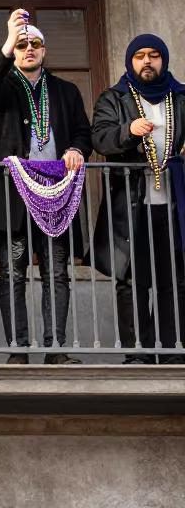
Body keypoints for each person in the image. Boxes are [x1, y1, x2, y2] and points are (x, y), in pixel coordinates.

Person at [0, 9, 91, 364]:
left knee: (56, 271)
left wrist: (76, 149)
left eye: (34, 44)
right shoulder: (4, 86)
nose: (28, 49)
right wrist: (7, 41)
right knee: (13, 272)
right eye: (23, 45)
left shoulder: (66, 90)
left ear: (44, 51)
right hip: (12, 193)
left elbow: (83, 134)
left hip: (55, 193)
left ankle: (55, 349)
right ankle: (18, 350)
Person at [91, 34, 185, 363]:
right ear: (131, 62)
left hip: (175, 204)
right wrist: (128, 132)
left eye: (154, 55)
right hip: (130, 205)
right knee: (131, 280)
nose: (147, 61)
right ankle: (137, 354)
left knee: (175, 279)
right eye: (140, 56)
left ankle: (172, 351)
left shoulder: (181, 96)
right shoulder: (114, 98)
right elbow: (100, 139)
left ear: (164, 60)